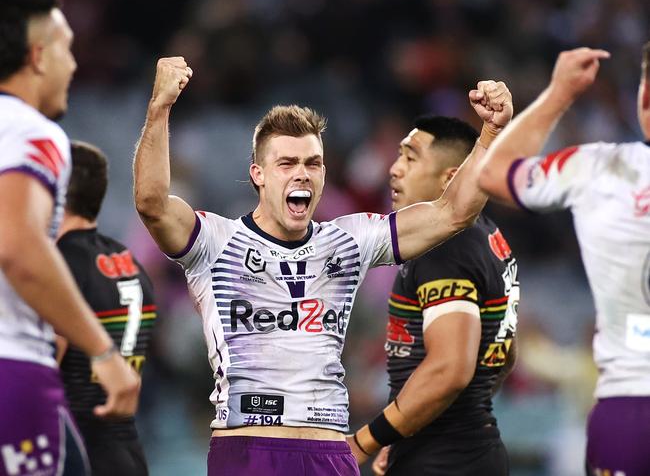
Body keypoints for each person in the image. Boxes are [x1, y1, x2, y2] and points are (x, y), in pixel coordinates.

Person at [132, 56, 510, 475]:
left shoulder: (349, 239)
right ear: (258, 174)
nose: (302, 174)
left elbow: (453, 213)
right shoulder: (215, 241)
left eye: (312, 163)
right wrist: (159, 108)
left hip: (330, 454)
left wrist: (491, 133)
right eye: (287, 164)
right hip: (248, 450)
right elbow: (152, 204)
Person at [478, 45, 650, 476]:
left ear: (644, 99)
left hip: (631, 405)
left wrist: (559, 93)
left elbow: (494, 172)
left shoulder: (599, 168)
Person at [0, 0, 140, 475]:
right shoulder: (30, 132)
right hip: (12, 368)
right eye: (66, 47)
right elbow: (19, 248)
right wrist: (102, 351)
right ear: (37, 56)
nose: (74, 65)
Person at [351, 113, 517, 476]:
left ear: (451, 177)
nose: (394, 169)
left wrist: (364, 441)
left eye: (410, 158)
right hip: (465, 450)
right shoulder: (489, 236)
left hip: (443, 462)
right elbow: (502, 355)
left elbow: (449, 370)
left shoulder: (446, 248)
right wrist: (403, 431)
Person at [56, 141, 156, 476]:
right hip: (128, 451)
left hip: (76, 450)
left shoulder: (59, 267)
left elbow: (46, 363)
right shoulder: (131, 263)